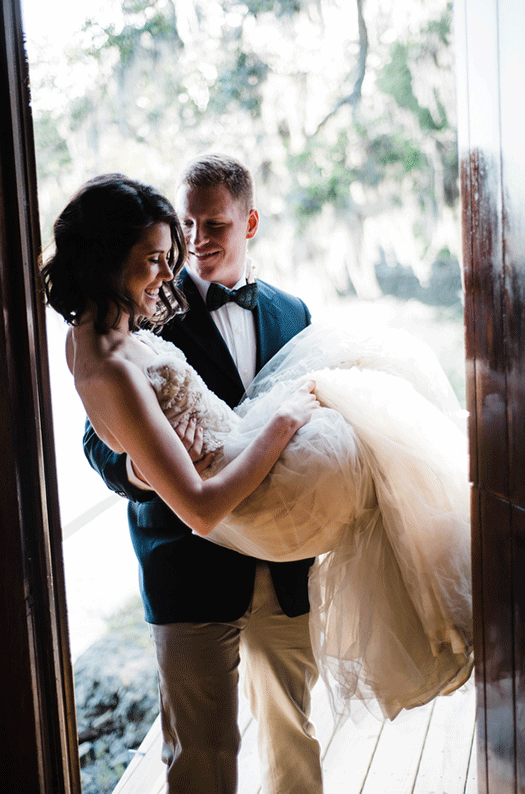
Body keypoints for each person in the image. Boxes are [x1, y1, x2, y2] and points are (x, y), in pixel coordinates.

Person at [43, 161, 325, 794]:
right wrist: (140, 471)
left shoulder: (293, 312)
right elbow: (100, 436)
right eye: (187, 223)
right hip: (187, 568)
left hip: (281, 567)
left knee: (294, 737)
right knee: (199, 753)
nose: (196, 240)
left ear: (249, 222)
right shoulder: (142, 313)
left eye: (214, 223)